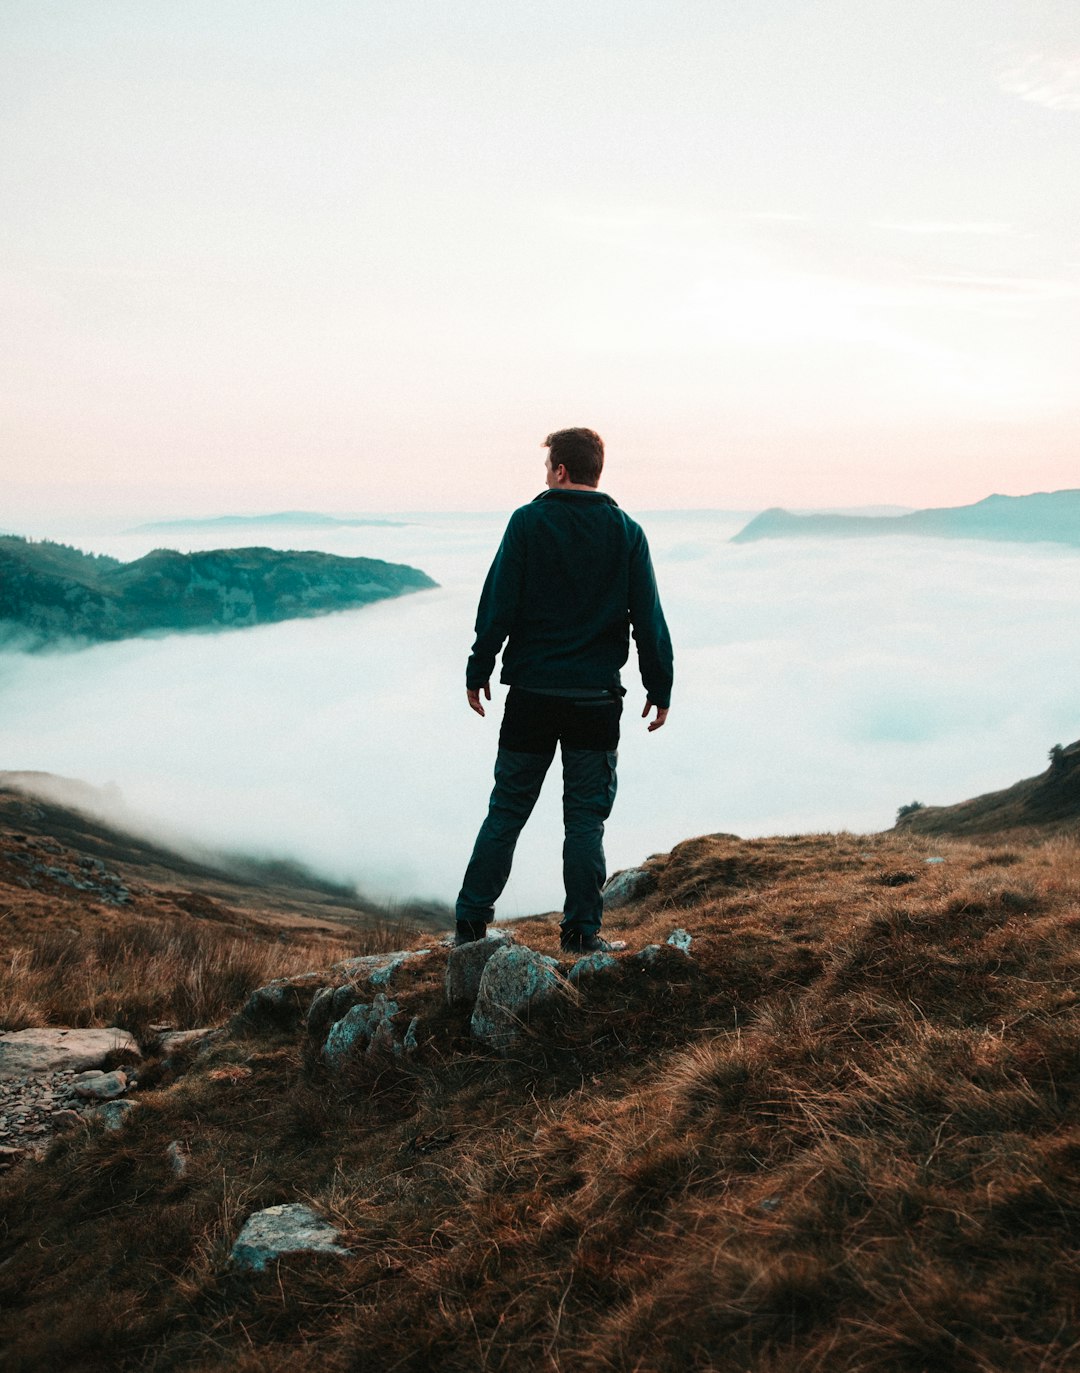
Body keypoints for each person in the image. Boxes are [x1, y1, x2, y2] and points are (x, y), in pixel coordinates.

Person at [454, 427, 673, 954]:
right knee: (584, 821)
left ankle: (469, 925)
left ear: (559, 470)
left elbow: (498, 602)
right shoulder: (627, 532)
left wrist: (478, 668)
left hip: (531, 693)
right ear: (596, 470)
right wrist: (659, 686)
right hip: (595, 700)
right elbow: (648, 617)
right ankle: (581, 933)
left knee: (507, 809)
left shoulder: (528, 522)